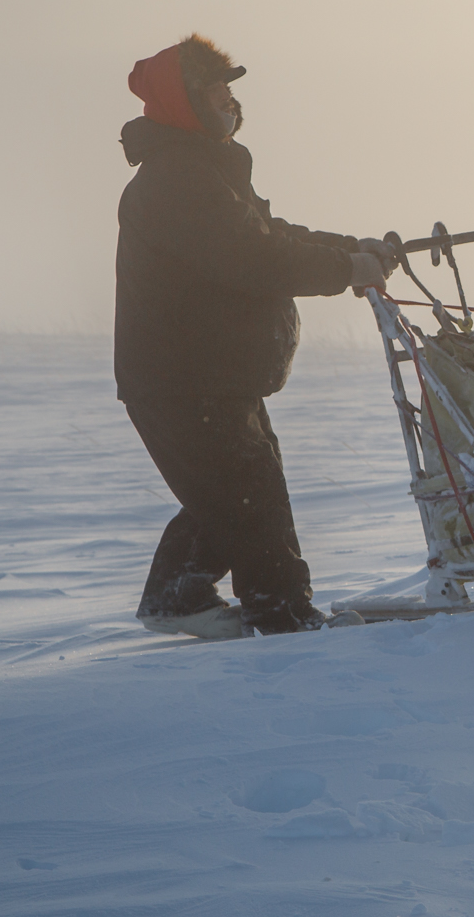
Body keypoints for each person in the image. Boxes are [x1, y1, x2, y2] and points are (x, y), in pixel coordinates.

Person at [115, 35, 394, 638]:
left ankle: (176, 596)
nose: (230, 100)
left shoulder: (201, 170)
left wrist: (350, 250)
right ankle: (283, 617)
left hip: (204, 377)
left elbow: (267, 232)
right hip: (187, 379)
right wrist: (346, 271)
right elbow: (254, 257)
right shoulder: (177, 180)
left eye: (231, 89)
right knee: (251, 497)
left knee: (233, 490)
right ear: (187, 101)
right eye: (216, 89)